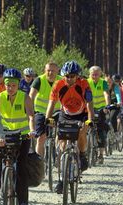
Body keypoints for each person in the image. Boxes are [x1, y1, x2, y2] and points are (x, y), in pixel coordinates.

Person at [45, 60, 94, 193]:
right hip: (65, 113)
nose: (69, 78)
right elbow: (51, 103)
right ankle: (61, 180)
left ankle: (82, 155)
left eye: (72, 76)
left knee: (82, 132)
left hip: (81, 114)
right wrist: (47, 119)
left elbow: (89, 104)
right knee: (61, 144)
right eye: (67, 76)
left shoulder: (84, 84)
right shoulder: (58, 84)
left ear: (77, 76)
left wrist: (90, 120)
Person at [0, 68, 35, 205]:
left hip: (23, 136)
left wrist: (31, 130)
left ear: (18, 85)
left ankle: (23, 202)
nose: (10, 88)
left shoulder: (25, 97)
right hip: (5, 135)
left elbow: (30, 116)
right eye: (8, 85)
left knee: (22, 167)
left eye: (13, 85)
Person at [29, 62, 61, 158]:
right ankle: (40, 162)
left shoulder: (61, 80)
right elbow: (31, 96)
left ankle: (59, 157)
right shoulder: (39, 80)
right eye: (48, 70)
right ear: (45, 71)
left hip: (57, 112)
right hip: (41, 112)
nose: (50, 73)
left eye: (53, 71)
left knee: (61, 134)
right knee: (41, 138)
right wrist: (30, 111)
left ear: (57, 71)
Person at [88, 66, 111, 163]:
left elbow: (106, 94)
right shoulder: (87, 82)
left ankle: (100, 154)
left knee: (100, 130)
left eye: (96, 74)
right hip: (89, 108)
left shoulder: (103, 82)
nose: (94, 76)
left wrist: (107, 106)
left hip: (101, 108)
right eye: (93, 74)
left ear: (100, 74)